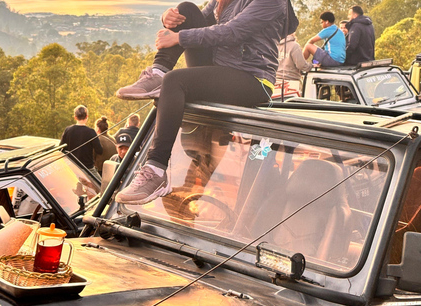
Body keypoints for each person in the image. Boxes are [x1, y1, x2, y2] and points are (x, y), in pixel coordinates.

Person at [114, 0, 299, 205]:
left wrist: (178, 37)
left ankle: (156, 169)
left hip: (253, 79)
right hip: (219, 66)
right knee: (185, 10)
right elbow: (199, 19)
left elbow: (233, 31)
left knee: (175, 82)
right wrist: (168, 18)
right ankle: (158, 71)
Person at [60, 105, 103, 180]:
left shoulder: (68, 130)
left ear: (75, 117)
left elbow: (61, 148)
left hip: (72, 168)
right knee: (103, 187)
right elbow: (99, 151)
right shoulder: (91, 132)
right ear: (87, 116)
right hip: (88, 169)